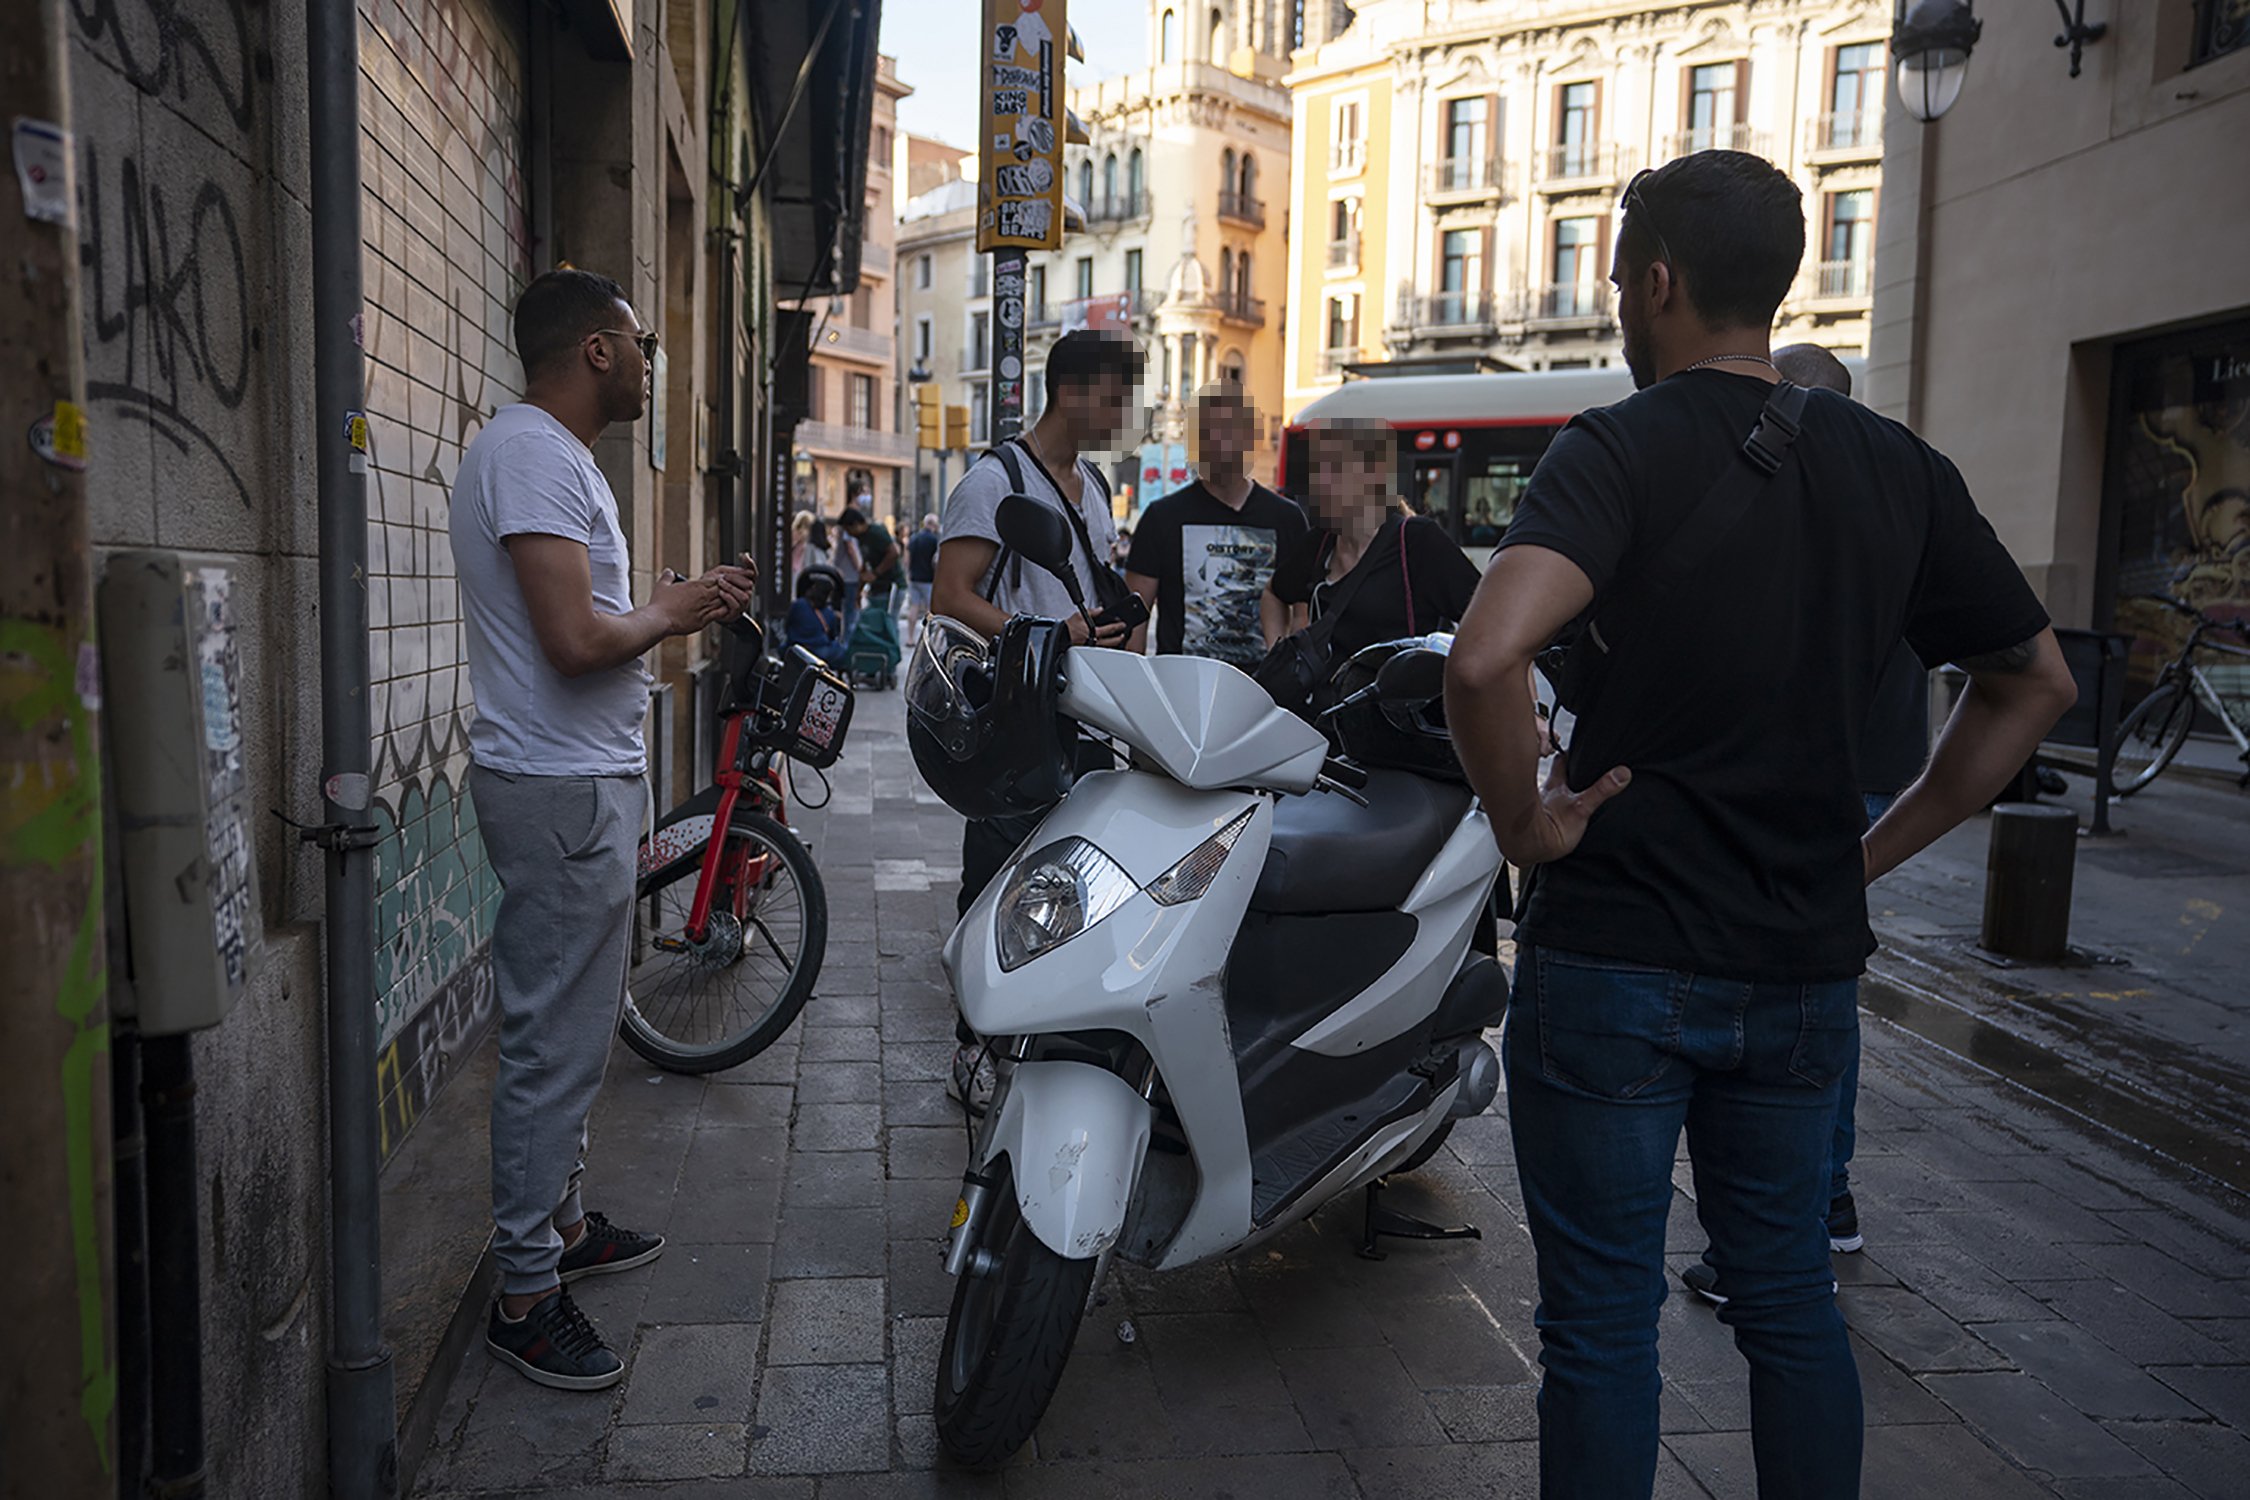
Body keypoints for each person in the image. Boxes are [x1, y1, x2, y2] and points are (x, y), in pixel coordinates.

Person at [1442, 151, 2075, 1498]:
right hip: (1796, 966)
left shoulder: (1616, 447)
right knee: (1788, 1304)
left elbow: (1484, 657)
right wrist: (1869, 850)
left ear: (1656, 281)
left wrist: (1523, 825)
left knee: (1603, 1331)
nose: (1615, 300)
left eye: (1617, 275)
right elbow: (2033, 683)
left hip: (1615, 947)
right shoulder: (1897, 467)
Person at [451, 267, 759, 1390]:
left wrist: (671, 596)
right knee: (552, 1044)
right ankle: (526, 1295)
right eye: (637, 342)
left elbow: (584, 624)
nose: (645, 360)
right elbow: (576, 642)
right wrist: (669, 611)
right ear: (593, 350)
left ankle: (565, 1231)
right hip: (556, 787)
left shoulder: (554, 458)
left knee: (577, 1031)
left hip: (580, 781)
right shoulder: (533, 452)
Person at [1677, 342, 1929, 1312]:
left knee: (1788, 1002)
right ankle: (1827, 1202)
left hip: (1808, 779)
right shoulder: (1900, 487)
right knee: (1825, 984)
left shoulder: (1797, 487)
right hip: (1869, 778)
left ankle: (1778, 1235)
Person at [930, 329, 1144, 1108]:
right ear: (1077, 391)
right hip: (1019, 719)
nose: (1123, 415)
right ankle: (976, 1046)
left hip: (1086, 718)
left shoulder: (1091, 484)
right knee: (993, 882)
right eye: (1116, 399)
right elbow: (952, 597)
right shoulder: (995, 480)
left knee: (1072, 883)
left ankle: (1051, 1037)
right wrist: (1059, 637)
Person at [1261, 418, 1482, 696]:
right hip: (1325, 725)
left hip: (1395, 726)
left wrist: (1530, 710)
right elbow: (1274, 593)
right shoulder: (1320, 542)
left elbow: (1495, 624)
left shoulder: (1416, 540)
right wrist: (1279, 655)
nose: (1321, 483)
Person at [1126, 384, 1308, 668]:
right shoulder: (1161, 518)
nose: (1221, 443)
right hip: (1182, 692)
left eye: (1232, 431)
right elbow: (1134, 625)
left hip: (1264, 696)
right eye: (1209, 432)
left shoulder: (1287, 519)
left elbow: (1303, 614)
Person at [785, 568, 850, 667]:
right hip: (819, 650)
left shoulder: (798, 605)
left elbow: (787, 625)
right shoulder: (829, 614)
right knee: (841, 650)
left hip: (795, 647)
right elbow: (833, 635)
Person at [903, 512, 940, 646]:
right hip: (928, 580)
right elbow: (936, 561)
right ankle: (928, 639)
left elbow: (907, 559)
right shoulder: (934, 540)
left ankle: (910, 638)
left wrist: (908, 573)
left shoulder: (914, 538)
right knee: (930, 611)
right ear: (933, 525)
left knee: (913, 607)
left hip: (914, 578)